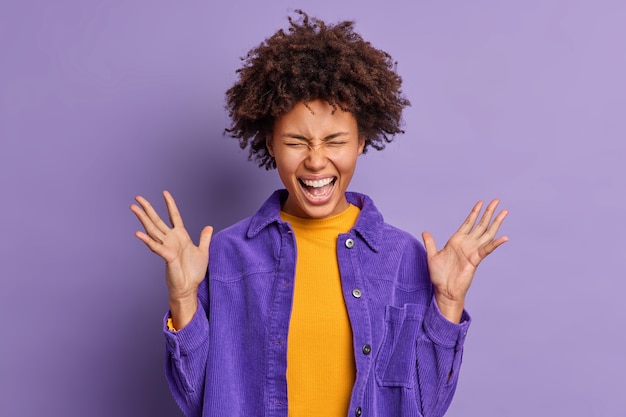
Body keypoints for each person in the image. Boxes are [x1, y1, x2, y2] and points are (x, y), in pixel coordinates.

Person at [130, 10, 508, 417]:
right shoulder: (224, 256)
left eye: (335, 140)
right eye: (296, 141)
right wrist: (183, 298)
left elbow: (426, 405)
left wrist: (448, 303)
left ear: (361, 141)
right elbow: (198, 400)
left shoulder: (405, 259)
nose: (315, 160)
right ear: (270, 143)